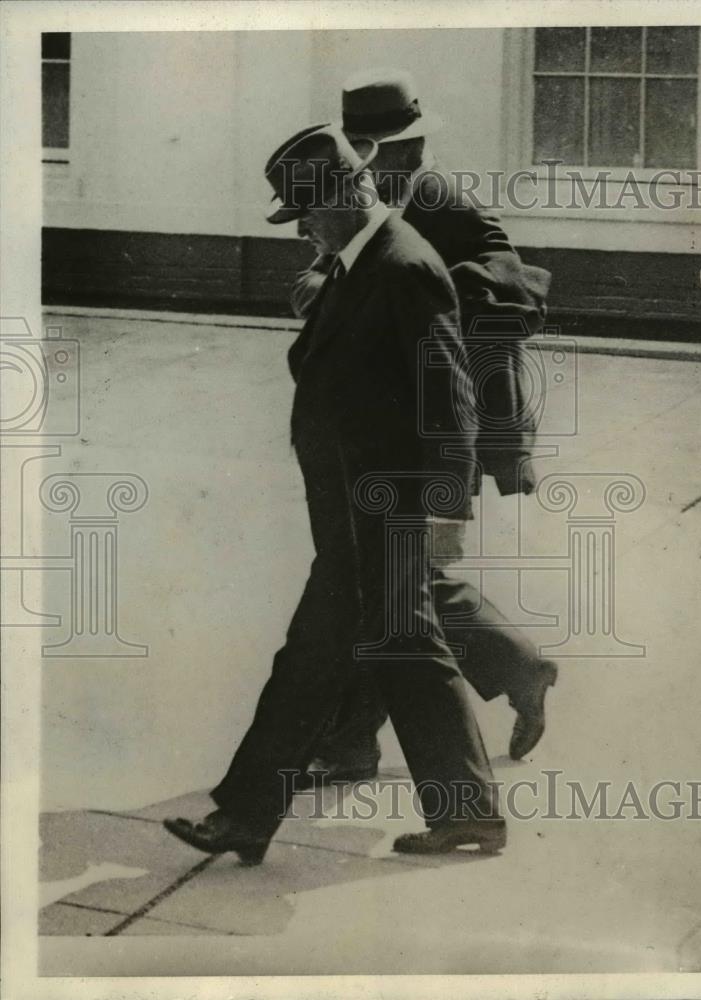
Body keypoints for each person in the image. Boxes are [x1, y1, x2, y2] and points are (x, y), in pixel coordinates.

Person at [163, 123, 506, 862]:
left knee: (342, 653)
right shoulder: (359, 261)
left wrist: (447, 509)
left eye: (307, 213)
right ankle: (460, 812)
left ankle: (248, 815)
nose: (302, 230)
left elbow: (449, 397)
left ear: (348, 194)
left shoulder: (404, 265)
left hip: (387, 507)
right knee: (362, 652)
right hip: (355, 510)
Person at [294, 69, 558, 783]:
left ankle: (353, 742)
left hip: (438, 425)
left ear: (406, 150)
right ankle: (517, 669)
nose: (358, 169)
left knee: (391, 583)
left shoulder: (443, 203)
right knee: (393, 582)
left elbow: (517, 288)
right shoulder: (370, 199)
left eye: (367, 155)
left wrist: (414, 291)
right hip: (377, 424)